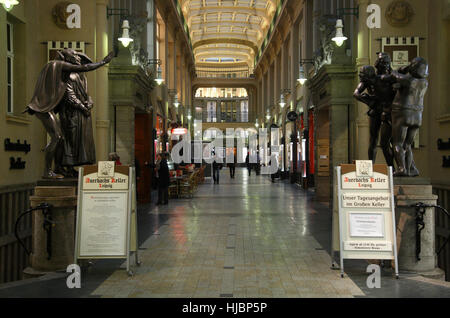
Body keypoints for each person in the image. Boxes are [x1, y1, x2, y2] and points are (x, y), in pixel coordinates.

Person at [25, 49, 114, 179]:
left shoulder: (54, 67)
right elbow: (86, 67)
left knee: (59, 138)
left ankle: (58, 168)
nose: (76, 58)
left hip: (45, 107)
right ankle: (47, 171)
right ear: (66, 58)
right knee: (57, 137)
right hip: (43, 108)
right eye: (73, 56)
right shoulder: (59, 65)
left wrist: (87, 103)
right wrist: (104, 62)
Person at [385, 57, 429, 177]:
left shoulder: (409, 80)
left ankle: (401, 168)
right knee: (408, 144)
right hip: (417, 115)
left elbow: (394, 74)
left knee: (397, 142)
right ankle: (410, 170)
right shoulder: (424, 82)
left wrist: (399, 69)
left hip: (403, 112)